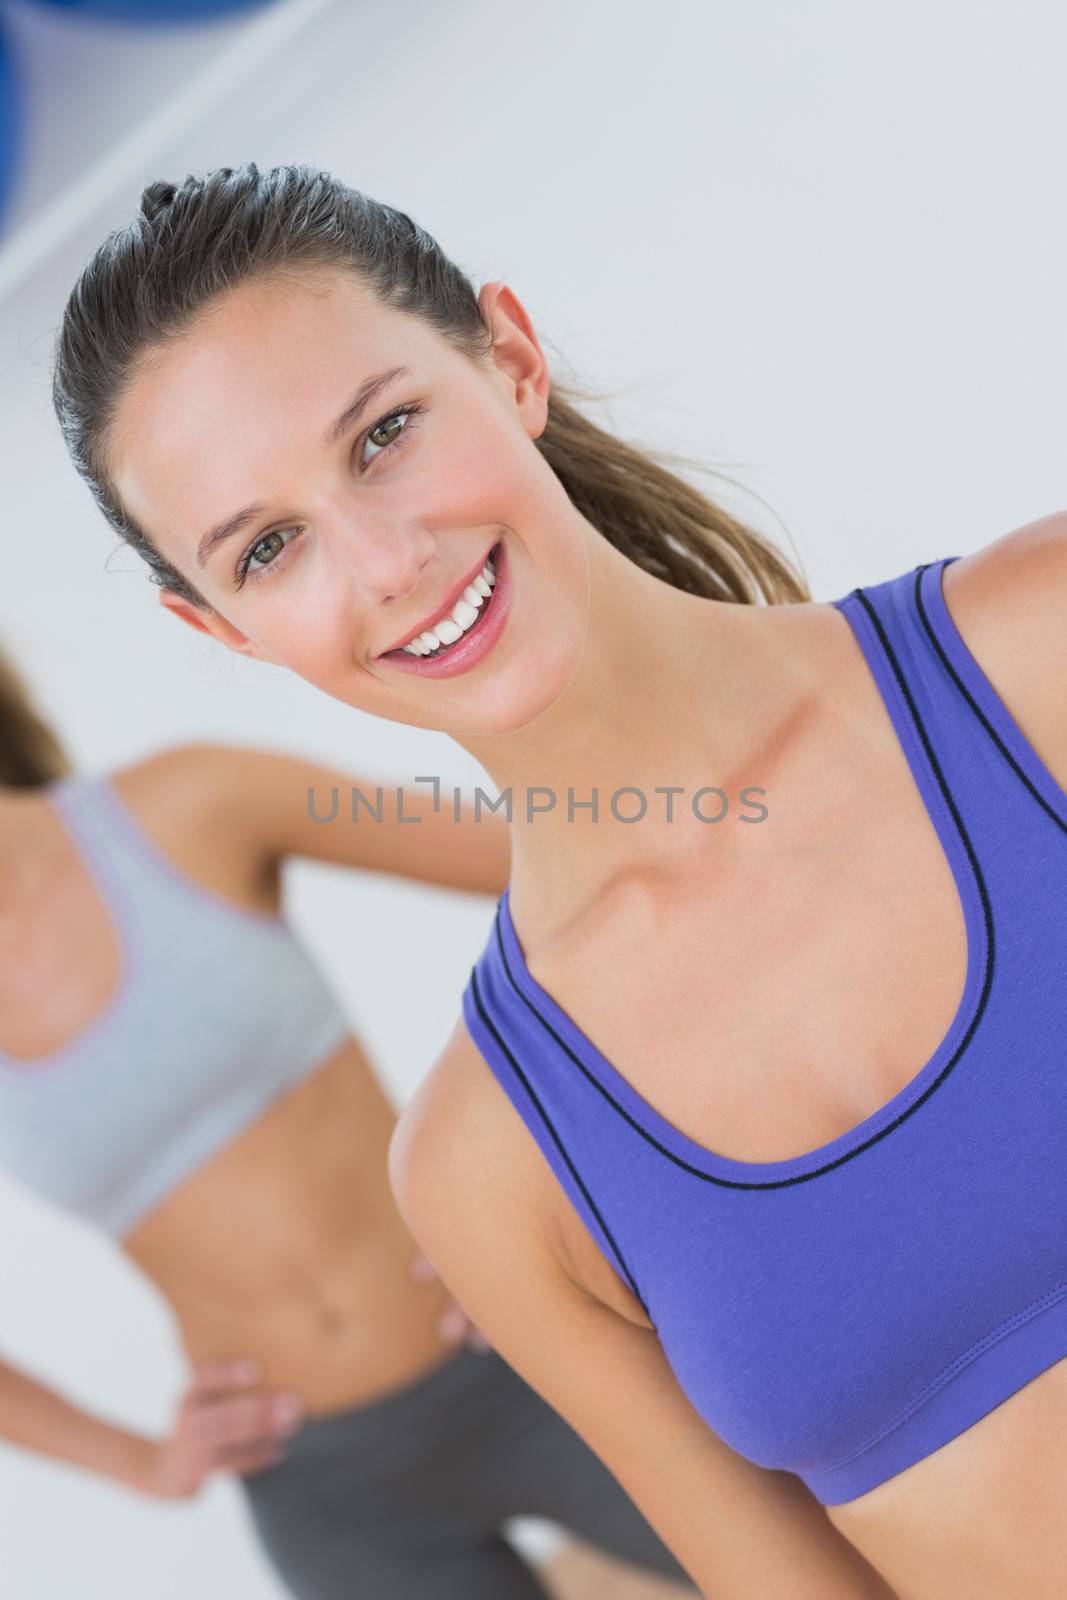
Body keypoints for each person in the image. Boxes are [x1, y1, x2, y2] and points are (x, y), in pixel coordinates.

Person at [49, 160, 1067, 1598]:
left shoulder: (1035, 661)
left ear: (509, 359)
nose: (385, 562)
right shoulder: (489, 1171)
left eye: (384, 433)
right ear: (221, 629)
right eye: (268, 548)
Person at [0, 647, 698, 1600]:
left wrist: (570, 1161)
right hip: (322, 1485)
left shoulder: (193, 801)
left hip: (533, 1351)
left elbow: (572, 860)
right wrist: (139, 1463)